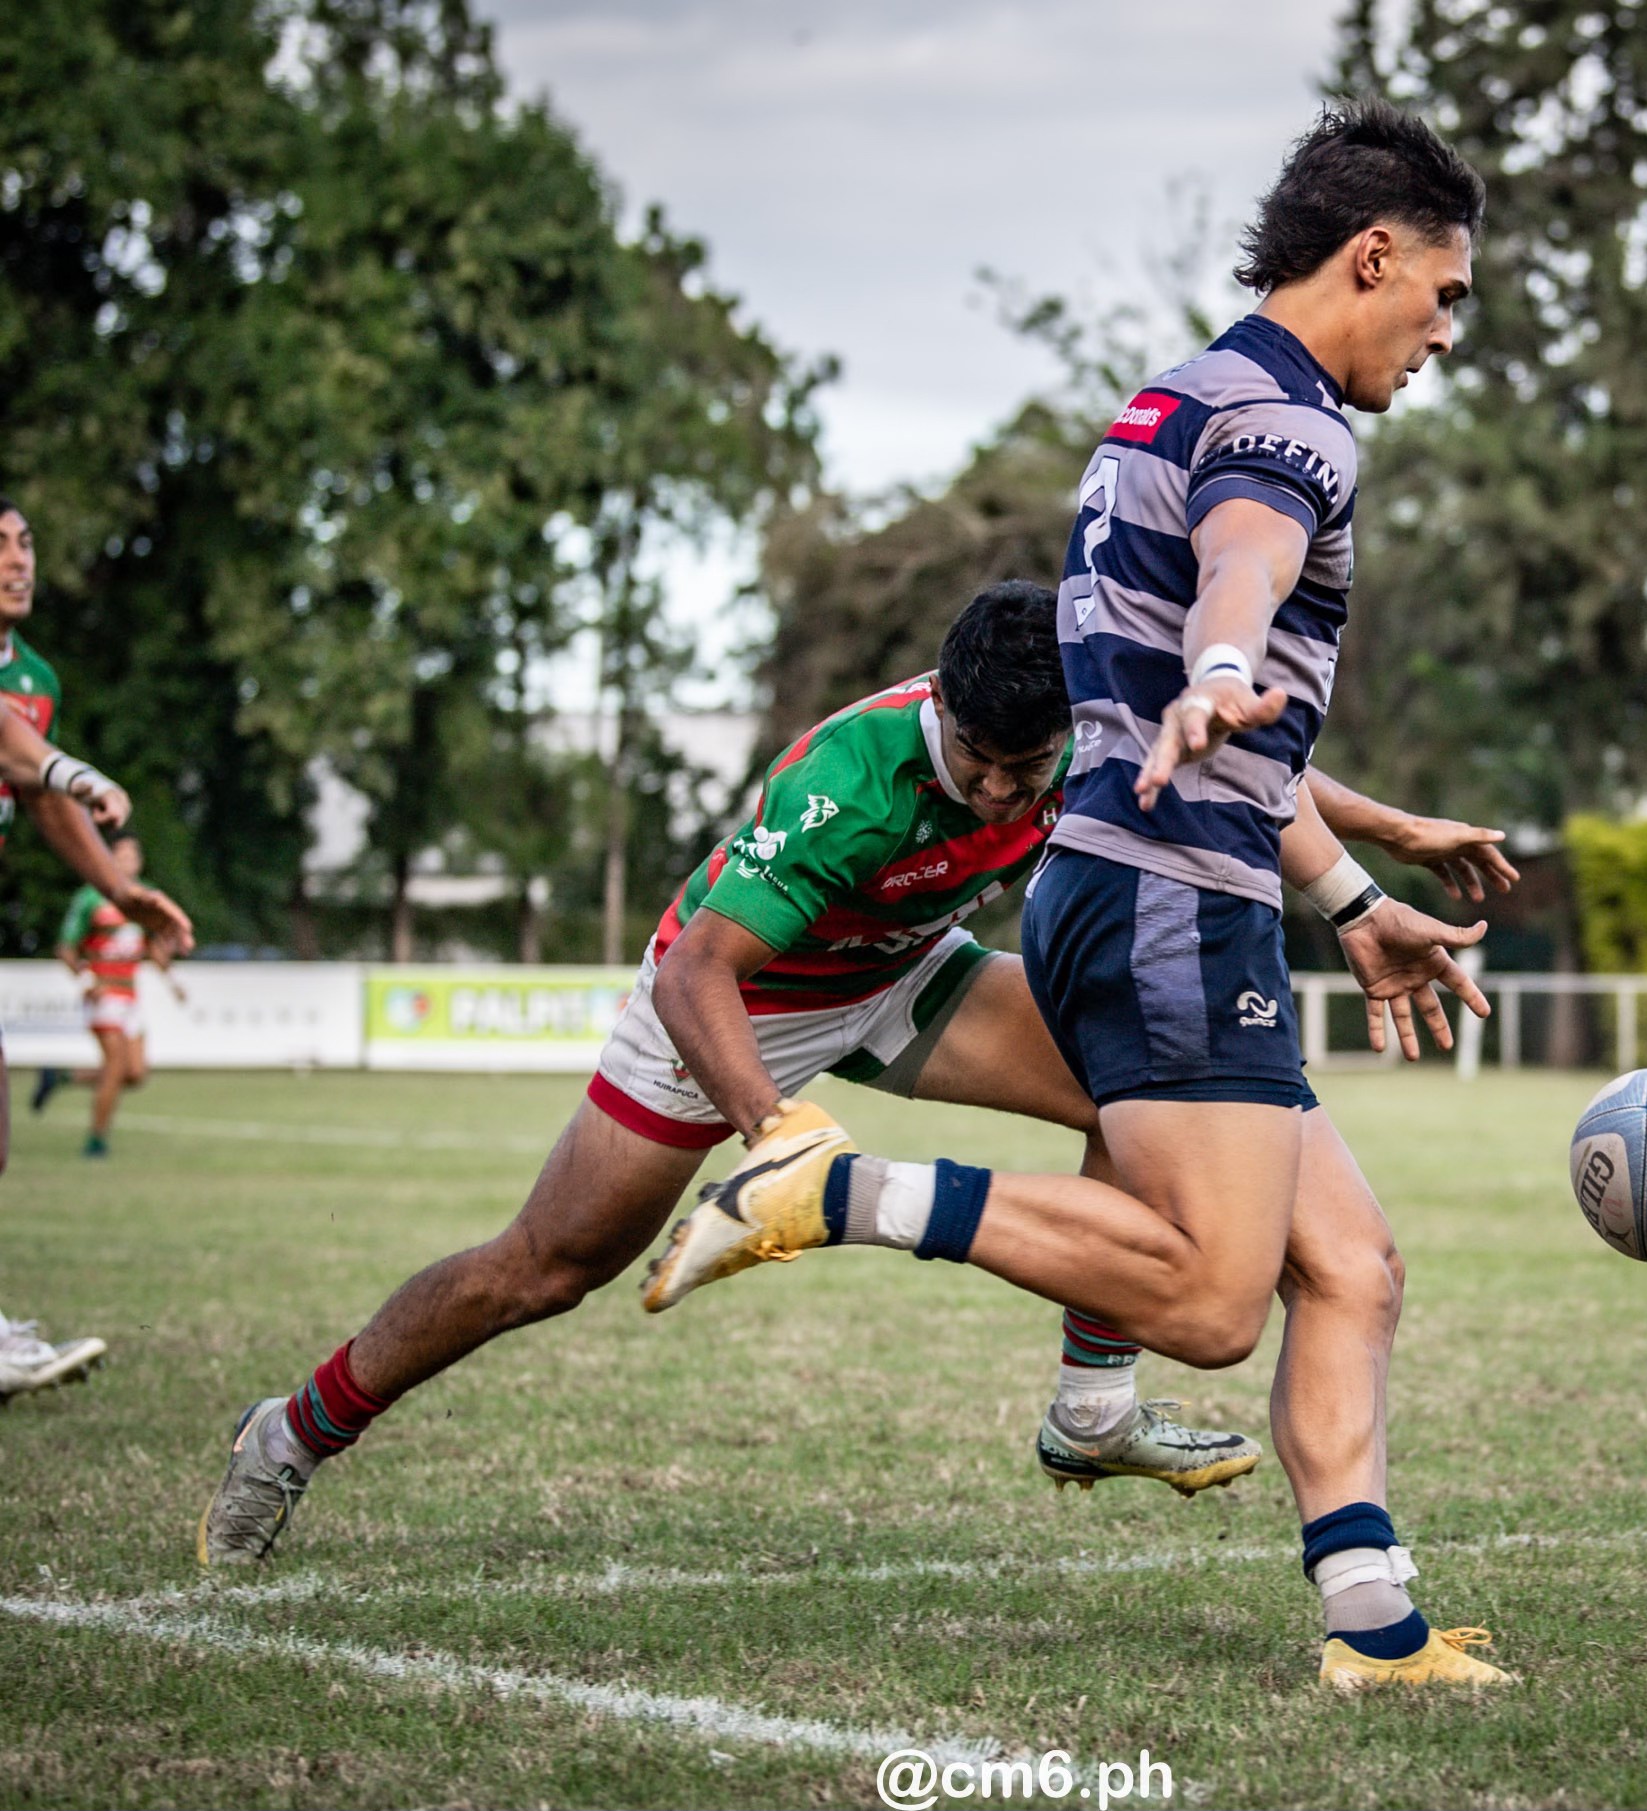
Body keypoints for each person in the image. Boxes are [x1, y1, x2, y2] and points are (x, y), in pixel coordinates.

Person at [646, 100, 1513, 1691]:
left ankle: (1371, 1626)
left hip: (1135, 882)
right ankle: (842, 1193)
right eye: (1444, 292)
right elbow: (1246, 566)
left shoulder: (1166, 401)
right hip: (1175, 904)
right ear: (1372, 254)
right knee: (1206, 1299)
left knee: (1355, 1264)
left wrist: (1349, 896)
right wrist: (1232, 659)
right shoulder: (1294, 423)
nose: (1448, 330)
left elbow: (1180, 667)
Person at [197, 580, 1512, 1563]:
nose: (1006, 794)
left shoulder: (1088, 724)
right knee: (542, 1267)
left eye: (1029, 767)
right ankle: (296, 1428)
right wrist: (771, 1130)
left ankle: (1092, 1406)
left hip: (900, 974)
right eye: (983, 763)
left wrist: (1395, 837)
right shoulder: (849, 781)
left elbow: (1241, 759)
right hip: (739, 1000)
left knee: (1130, 1076)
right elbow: (693, 971)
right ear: (940, 708)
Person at [0, 498, 196, 1398]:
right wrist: (77, 771)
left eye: (24, 541)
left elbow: (36, 791)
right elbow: (22, 755)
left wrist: (122, 890)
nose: (16, 560)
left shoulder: (34, 671)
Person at [36, 832, 184, 1157]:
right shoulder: (90, 897)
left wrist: (172, 980)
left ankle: (61, 1077)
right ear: (108, 858)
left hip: (131, 997)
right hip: (104, 998)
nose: (127, 862)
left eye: (133, 856)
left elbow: (152, 948)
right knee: (115, 1068)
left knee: (135, 1074)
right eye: (121, 856)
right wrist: (88, 981)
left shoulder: (145, 898)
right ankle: (96, 1141)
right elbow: (66, 948)